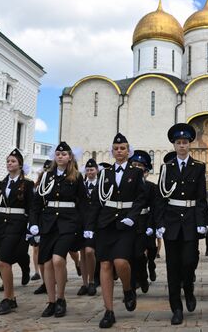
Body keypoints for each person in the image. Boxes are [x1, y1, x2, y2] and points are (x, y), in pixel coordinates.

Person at [86, 133, 146, 328]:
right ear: (112, 152)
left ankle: (128, 289)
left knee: (120, 262)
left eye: (123, 148)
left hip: (126, 223)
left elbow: (141, 198)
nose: (119, 151)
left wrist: (133, 216)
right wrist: (89, 227)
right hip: (106, 223)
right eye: (116, 148)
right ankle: (109, 310)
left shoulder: (136, 173)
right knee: (105, 265)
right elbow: (96, 202)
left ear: (129, 151)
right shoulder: (104, 173)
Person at [155, 123, 207, 325]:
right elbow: (161, 198)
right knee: (172, 266)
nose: (182, 146)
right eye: (178, 143)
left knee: (189, 260)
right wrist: (159, 222)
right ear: (174, 145)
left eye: (185, 142)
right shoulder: (166, 168)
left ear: (190, 144)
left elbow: (201, 198)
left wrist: (202, 222)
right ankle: (176, 307)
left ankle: (189, 288)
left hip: (191, 220)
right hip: (171, 221)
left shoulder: (198, 167)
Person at [29, 141, 87, 318]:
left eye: (64, 154)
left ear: (70, 157)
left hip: (68, 222)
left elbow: (83, 203)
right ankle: (51, 301)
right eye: (58, 154)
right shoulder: (47, 176)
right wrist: (33, 222)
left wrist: (84, 226)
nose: (60, 156)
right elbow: (37, 203)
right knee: (46, 263)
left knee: (57, 260)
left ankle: (61, 299)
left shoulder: (76, 177)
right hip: (48, 223)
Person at [0, 149, 34, 314]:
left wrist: (32, 225)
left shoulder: (28, 184)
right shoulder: (1, 183)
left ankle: (7, 298)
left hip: (17, 225)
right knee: (2, 261)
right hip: (0, 225)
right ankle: (11, 298)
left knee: (3, 261)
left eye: (13, 161)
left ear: (20, 164)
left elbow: (32, 207)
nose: (9, 164)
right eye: (8, 161)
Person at [129, 150, 156, 293]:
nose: (137, 167)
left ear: (145, 169)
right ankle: (132, 287)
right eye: (134, 164)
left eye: (140, 165)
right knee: (131, 255)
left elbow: (154, 208)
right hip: (130, 222)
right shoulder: (126, 184)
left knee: (146, 252)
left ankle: (147, 271)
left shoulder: (151, 187)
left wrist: (152, 225)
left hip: (145, 221)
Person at [77, 158, 99, 297]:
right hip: (81, 222)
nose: (90, 172)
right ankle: (84, 283)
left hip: (95, 223)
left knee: (90, 251)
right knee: (82, 253)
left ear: (97, 170)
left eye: (92, 169)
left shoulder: (101, 184)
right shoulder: (81, 185)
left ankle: (92, 281)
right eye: (88, 170)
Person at [31, 160, 51, 295]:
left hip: (51, 220)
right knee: (37, 249)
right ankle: (42, 278)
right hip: (39, 221)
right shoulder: (37, 186)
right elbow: (34, 206)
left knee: (51, 255)